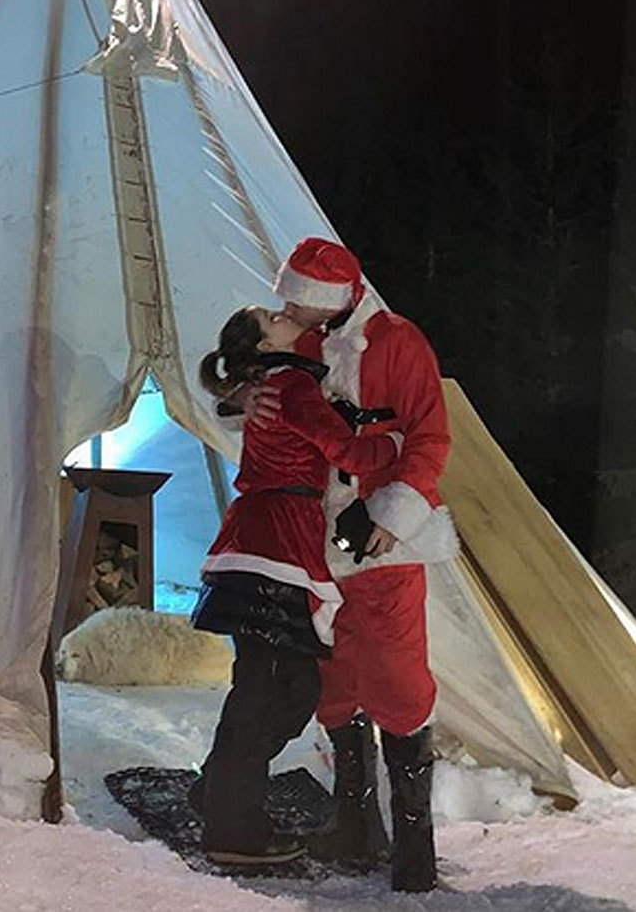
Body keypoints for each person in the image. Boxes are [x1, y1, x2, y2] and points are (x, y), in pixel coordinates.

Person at [262, 236, 456, 893]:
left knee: (398, 682)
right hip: (319, 541)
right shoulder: (305, 343)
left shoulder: (399, 343)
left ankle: (414, 848)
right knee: (335, 680)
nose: (289, 309)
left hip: (382, 543)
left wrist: (389, 516)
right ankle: (354, 825)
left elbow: (429, 438)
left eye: (301, 302)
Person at [190, 304, 404, 866]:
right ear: (264, 346)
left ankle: (221, 790)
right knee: (267, 688)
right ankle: (233, 830)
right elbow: (347, 452)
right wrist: (398, 445)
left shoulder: (276, 383)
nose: (285, 315)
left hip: (269, 536)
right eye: (273, 318)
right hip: (275, 541)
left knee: (285, 686)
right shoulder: (287, 385)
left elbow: (227, 394)